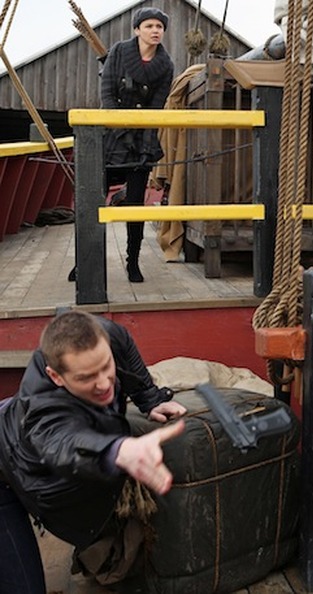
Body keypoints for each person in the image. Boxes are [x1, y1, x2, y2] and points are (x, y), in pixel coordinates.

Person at [0, 310, 187, 593]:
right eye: (87, 377)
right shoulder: (43, 412)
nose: (103, 383)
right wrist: (116, 451)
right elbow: (63, 443)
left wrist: (149, 398)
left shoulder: (104, 335)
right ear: (56, 376)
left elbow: (122, 344)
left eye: (106, 366)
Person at [69, 7, 174, 283]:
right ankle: (83, 261)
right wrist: (118, 127)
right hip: (112, 136)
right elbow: (107, 93)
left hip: (142, 140)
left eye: (159, 27)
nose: (155, 31)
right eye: (149, 25)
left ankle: (133, 262)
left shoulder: (166, 65)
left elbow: (156, 106)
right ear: (137, 29)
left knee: (136, 204)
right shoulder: (117, 53)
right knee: (92, 201)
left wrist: (146, 144)